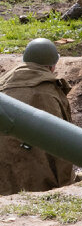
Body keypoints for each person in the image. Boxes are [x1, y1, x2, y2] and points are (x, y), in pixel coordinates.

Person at [0, 38, 75, 194]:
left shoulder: (3, 84)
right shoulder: (50, 91)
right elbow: (63, 142)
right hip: (39, 184)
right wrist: (67, 185)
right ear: (51, 66)